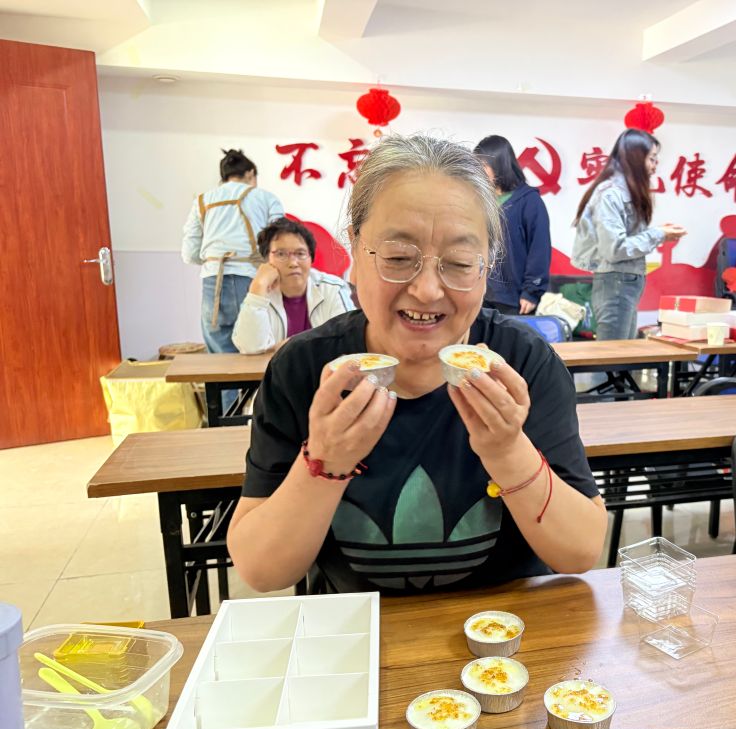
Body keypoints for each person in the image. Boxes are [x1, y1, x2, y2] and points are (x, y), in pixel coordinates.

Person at [227, 135, 606, 594]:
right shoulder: (305, 369)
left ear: (487, 266)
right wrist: (326, 462)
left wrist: (508, 451)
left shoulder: (522, 363)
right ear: (355, 250)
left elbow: (580, 551)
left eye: (459, 262)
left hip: (504, 629)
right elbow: (262, 572)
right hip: (361, 628)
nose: (427, 290)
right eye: (398, 258)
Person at [571, 129, 686, 340]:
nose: (655, 165)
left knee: (622, 352)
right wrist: (658, 234)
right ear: (636, 158)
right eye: (652, 158)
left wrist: (660, 233)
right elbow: (614, 249)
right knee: (613, 354)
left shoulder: (624, 192)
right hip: (616, 283)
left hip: (622, 282)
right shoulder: (611, 194)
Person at [181, 149, 284, 353]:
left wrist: (214, 258)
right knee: (257, 345)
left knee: (220, 352)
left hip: (213, 280)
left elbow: (190, 253)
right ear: (250, 173)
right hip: (254, 278)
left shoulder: (202, 201)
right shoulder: (266, 198)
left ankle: (226, 378)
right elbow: (281, 240)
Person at [232, 218, 356, 354]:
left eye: (300, 253)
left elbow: (347, 340)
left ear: (311, 258)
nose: (293, 263)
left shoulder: (332, 288)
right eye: (281, 254)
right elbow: (249, 347)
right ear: (266, 259)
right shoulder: (261, 291)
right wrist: (258, 287)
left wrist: (291, 345)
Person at [473, 136, 551, 315]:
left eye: (483, 166)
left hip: (514, 298)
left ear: (500, 165)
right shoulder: (481, 200)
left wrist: (531, 292)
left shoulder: (529, 201)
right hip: (482, 294)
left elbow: (539, 249)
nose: (478, 172)